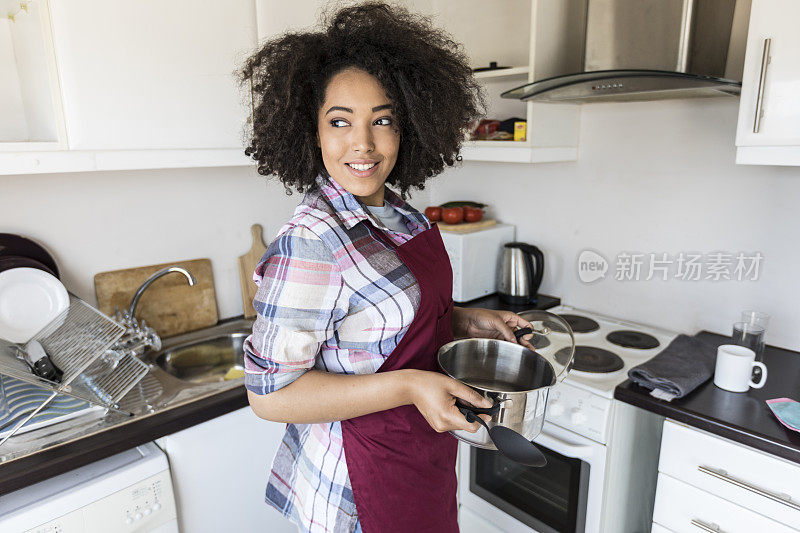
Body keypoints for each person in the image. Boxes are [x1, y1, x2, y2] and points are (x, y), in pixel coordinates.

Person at [239, 3, 534, 532]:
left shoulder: (401, 213)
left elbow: (385, 319)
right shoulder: (313, 241)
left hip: (422, 454)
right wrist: (409, 387)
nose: (363, 144)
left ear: (408, 127)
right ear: (312, 131)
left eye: (382, 120)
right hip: (357, 487)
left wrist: (462, 319)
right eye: (340, 122)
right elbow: (270, 396)